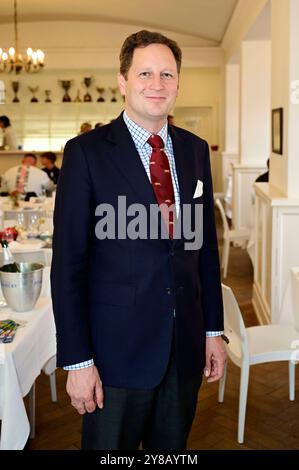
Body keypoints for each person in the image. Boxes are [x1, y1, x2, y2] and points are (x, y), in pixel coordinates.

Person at [51, 30, 226, 451]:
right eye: (144, 72)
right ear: (123, 82)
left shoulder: (196, 150)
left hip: (183, 351)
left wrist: (213, 330)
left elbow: (203, 250)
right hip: (115, 357)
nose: (157, 83)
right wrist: (78, 361)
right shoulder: (86, 152)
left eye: (167, 74)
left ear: (178, 83)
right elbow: (68, 266)